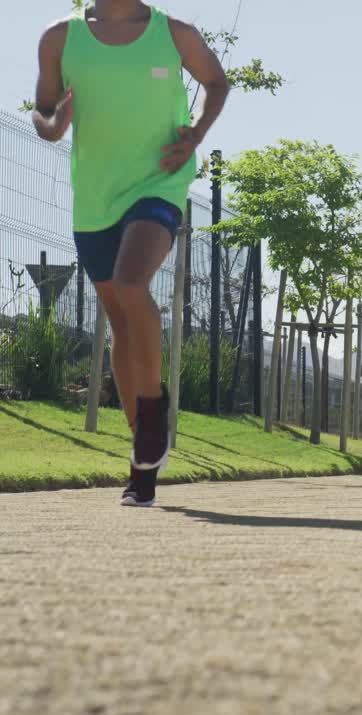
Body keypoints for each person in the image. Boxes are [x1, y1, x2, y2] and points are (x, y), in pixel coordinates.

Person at [32, 0, 228, 508]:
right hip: (94, 198)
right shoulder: (59, 37)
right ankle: (144, 461)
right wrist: (53, 126)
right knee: (119, 318)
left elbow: (217, 82)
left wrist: (195, 136)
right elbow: (43, 110)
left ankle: (153, 417)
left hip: (160, 182)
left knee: (130, 284)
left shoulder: (174, 33)